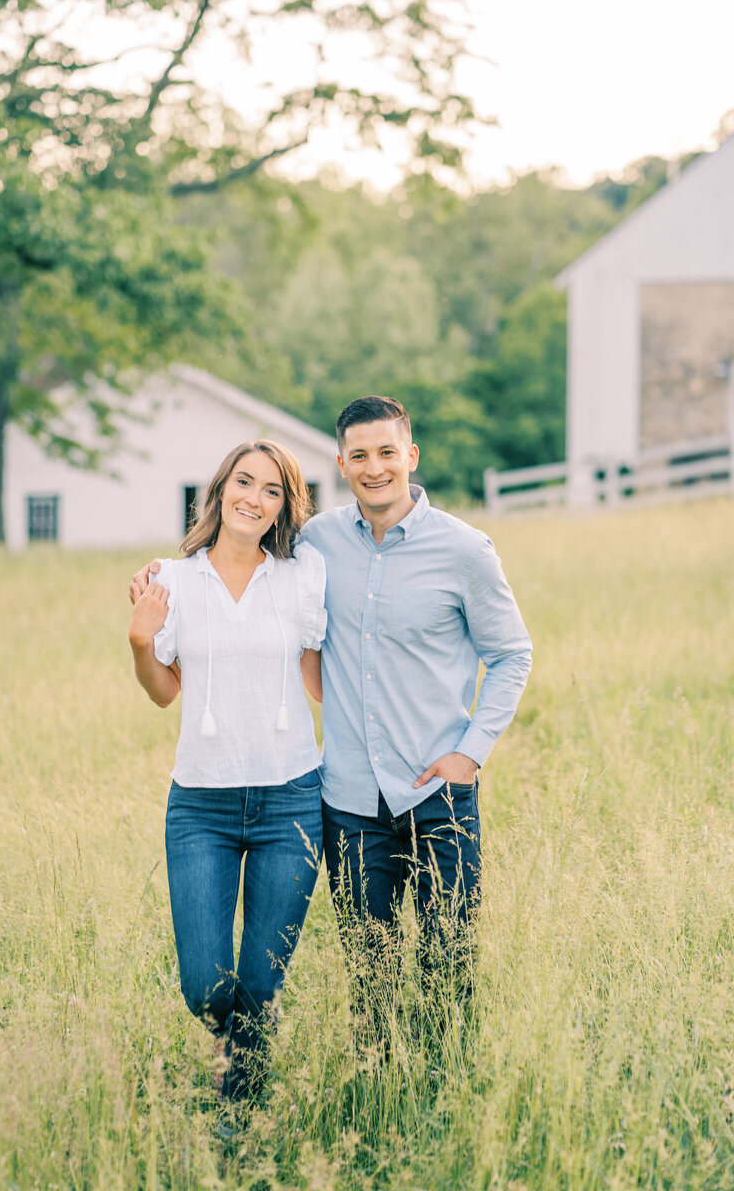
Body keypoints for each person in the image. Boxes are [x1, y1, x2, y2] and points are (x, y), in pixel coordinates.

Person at [131, 398, 531, 1026]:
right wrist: (162, 592)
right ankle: (371, 1092)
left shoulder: (466, 551)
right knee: (370, 981)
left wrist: (470, 751)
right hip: (346, 800)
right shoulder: (315, 547)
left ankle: (435, 1101)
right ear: (342, 464)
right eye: (361, 456)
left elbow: (512, 655)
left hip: (437, 790)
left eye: (388, 453)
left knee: (447, 973)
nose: (376, 468)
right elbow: (242, 583)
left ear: (410, 456)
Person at [127, 439, 326, 1126]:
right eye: (245, 482)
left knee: (262, 984)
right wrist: (139, 640)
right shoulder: (173, 583)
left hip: (291, 799)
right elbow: (163, 693)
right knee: (206, 983)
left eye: (272, 490)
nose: (255, 498)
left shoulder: (303, 577)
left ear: (283, 508)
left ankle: (240, 1111)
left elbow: (320, 682)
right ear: (220, 491)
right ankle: (231, 1050)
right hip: (201, 808)